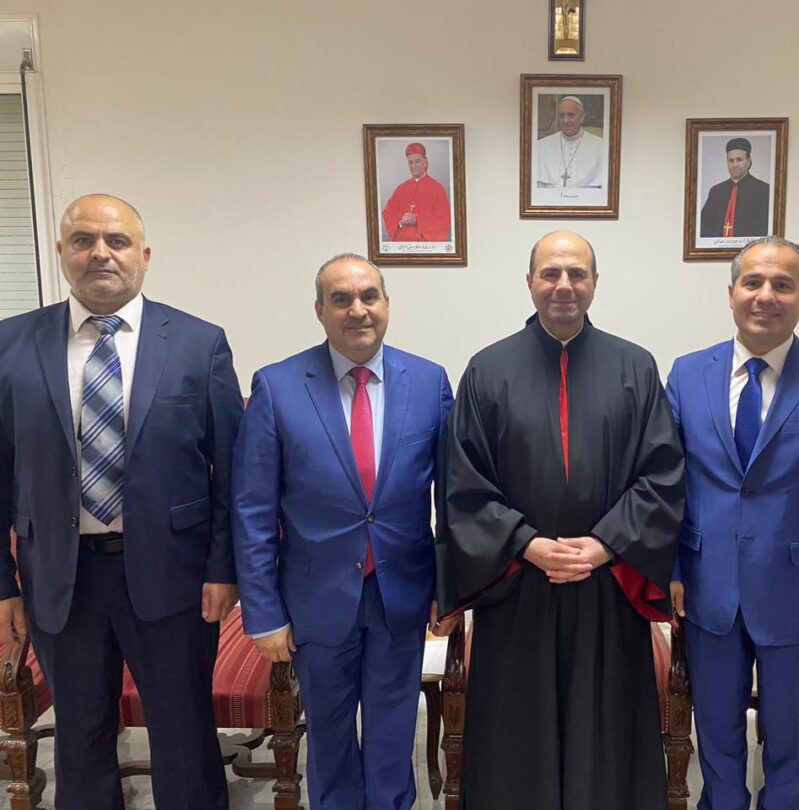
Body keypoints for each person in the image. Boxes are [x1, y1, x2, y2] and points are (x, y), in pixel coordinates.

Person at [0, 194, 243, 809]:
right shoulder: (10, 344)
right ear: (61, 252)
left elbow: (230, 473)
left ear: (145, 255)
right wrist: (3, 584)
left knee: (184, 732)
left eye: (117, 241)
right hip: (59, 577)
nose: (100, 253)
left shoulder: (198, 343)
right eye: (84, 240)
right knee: (80, 738)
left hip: (174, 576)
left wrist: (223, 568)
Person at [438, 231, 685, 810]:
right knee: (517, 736)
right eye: (551, 274)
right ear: (530, 282)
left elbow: (663, 475)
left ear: (595, 283)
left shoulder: (635, 366)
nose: (564, 286)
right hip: (518, 585)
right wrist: (527, 544)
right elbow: (462, 484)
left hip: (607, 584)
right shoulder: (487, 370)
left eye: (577, 274)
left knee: (607, 729)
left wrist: (603, 545)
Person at [666, 236, 799, 809]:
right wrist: (671, 569)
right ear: (731, 293)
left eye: (782, 285)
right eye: (753, 282)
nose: (766, 296)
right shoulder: (687, 374)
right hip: (708, 588)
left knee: (790, 742)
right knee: (716, 736)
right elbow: (666, 484)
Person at [232, 253, 455, 810]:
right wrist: (263, 612)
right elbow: (253, 509)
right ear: (319, 311)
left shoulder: (429, 382)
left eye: (368, 296)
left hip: (400, 595)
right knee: (329, 741)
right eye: (341, 299)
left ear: (386, 304)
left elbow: (451, 500)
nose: (358, 310)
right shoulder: (278, 386)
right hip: (315, 598)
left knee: (393, 737)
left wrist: (449, 588)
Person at [699, 137, 771, 238]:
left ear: (749, 161)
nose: (734, 165)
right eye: (730, 160)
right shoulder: (716, 191)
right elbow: (703, 226)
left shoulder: (764, 190)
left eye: (739, 160)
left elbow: (765, 229)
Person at [380, 142, 452, 242]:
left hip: (426, 247)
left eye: (417, 161)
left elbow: (443, 221)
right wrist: (401, 220)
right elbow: (389, 211)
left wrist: (418, 220)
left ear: (425, 162)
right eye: (410, 162)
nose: (414, 166)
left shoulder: (438, 189)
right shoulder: (401, 189)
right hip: (402, 245)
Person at [535, 96, 606, 188]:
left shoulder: (601, 147)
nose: (566, 121)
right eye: (562, 115)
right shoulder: (541, 146)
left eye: (571, 115)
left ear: (582, 117)